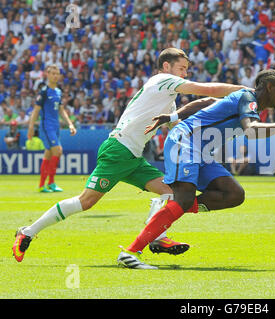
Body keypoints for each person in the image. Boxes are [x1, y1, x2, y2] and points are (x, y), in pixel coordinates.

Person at [12, 48, 249, 264]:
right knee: (86, 201)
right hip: (119, 150)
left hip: (133, 155)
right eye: (182, 68)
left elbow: (186, 113)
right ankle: (28, 232)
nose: (185, 74)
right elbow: (205, 89)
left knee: (171, 193)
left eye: (186, 69)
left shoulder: (166, 96)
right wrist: (244, 91)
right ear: (166, 67)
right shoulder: (163, 80)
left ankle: (158, 238)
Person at [118, 69, 275, 269]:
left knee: (234, 194)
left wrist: (172, 115)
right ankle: (130, 252)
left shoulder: (244, 98)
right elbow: (251, 131)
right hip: (185, 140)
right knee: (184, 198)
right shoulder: (249, 98)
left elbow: (206, 103)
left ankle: (164, 212)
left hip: (200, 151)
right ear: (269, 87)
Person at [26, 64, 77, 193]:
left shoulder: (58, 92)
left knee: (48, 154)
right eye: (52, 73)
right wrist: (31, 127)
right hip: (46, 126)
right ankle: (51, 182)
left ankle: (42, 185)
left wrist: (70, 124)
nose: (55, 75)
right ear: (47, 75)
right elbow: (35, 111)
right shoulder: (43, 92)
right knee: (58, 151)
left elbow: (61, 110)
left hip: (55, 126)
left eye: (57, 73)